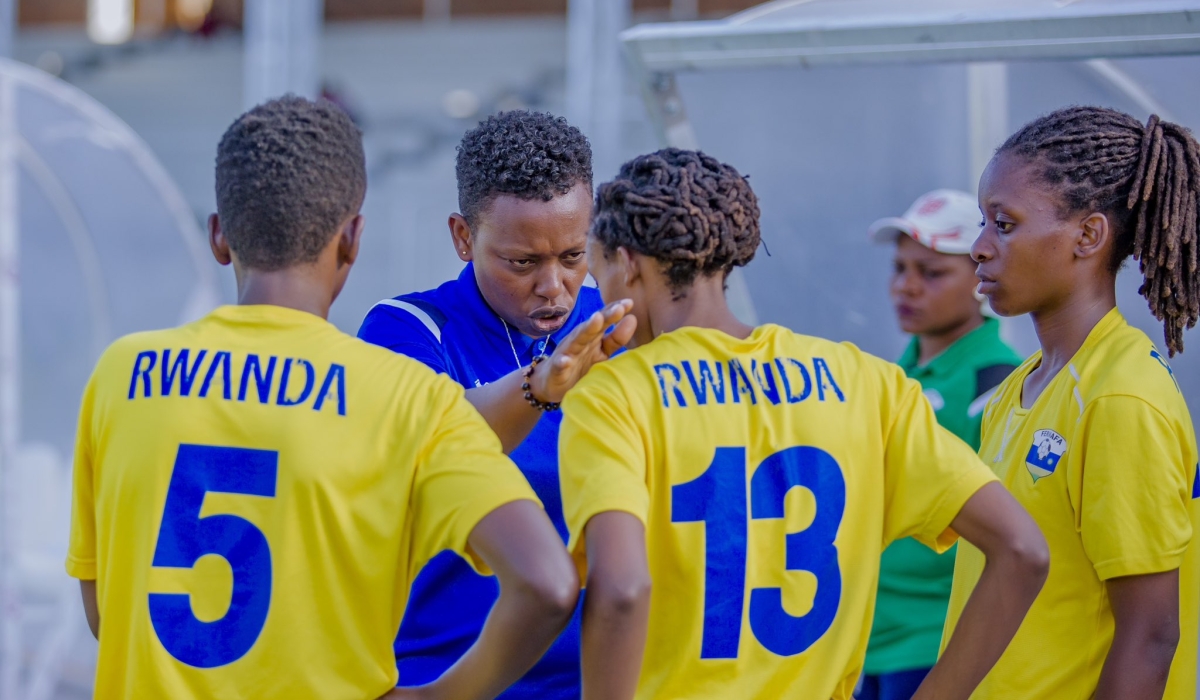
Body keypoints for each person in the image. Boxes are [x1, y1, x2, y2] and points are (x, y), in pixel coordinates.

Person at [64, 96, 579, 700]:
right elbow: (547, 584)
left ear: (219, 236)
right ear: (353, 238)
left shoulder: (123, 374)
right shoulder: (404, 395)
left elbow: (106, 612)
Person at [558, 148, 1050, 700]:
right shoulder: (868, 383)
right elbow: (1023, 551)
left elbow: (622, 589)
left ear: (625, 263)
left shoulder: (613, 393)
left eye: (597, 273)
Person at [357, 109, 633, 697]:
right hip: (442, 678)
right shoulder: (406, 328)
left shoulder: (614, 322)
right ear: (463, 237)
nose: (553, 285)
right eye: (522, 262)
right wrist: (540, 387)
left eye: (573, 255)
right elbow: (434, 449)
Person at [945, 106, 1200, 700]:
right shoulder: (1022, 385)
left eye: (1003, 224)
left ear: (1088, 235)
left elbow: (1152, 634)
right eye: (982, 222)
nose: (979, 248)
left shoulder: (1119, 397)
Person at [859, 190, 1022, 700]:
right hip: (863, 641)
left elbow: (1016, 541)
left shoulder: (997, 387)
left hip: (936, 647)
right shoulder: (890, 377)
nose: (906, 286)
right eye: (900, 267)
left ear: (980, 274)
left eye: (931, 273)